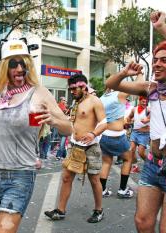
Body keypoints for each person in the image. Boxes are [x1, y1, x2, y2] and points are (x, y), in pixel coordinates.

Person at [0, 38, 72, 233]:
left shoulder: (38, 92)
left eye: (24, 63)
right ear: (5, 67)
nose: (19, 68)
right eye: (14, 64)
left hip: (20, 174)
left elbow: (68, 128)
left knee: (4, 229)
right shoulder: (0, 93)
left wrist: (53, 121)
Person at [106, 11, 166, 233]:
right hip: (152, 165)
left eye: (164, 60)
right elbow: (112, 83)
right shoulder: (151, 88)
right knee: (142, 223)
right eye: (155, 60)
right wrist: (124, 72)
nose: (157, 64)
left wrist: (162, 27)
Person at [44, 74, 107, 223]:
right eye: (70, 89)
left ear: (83, 87)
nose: (71, 91)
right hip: (74, 146)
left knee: (94, 180)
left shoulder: (95, 101)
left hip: (91, 147)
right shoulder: (76, 102)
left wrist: (93, 134)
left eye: (74, 88)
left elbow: (104, 123)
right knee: (66, 178)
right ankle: (60, 210)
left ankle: (99, 210)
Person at [99, 76, 142, 198]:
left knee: (106, 162)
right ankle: (123, 190)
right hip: (117, 135)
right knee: (128, 159)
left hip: (104, 135)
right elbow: (138, 85)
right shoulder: (119, 95)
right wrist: (139, 73)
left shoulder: (102, 98)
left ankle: (102, 190)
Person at [126, 96, 150, 173]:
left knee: (141, 152)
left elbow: (155, 119)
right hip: (135, 132)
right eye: (143, 101)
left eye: (146, 102)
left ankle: (150, 165)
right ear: (139, 101)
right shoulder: (134, 109)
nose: (144, 103)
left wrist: (147, 121)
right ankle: (135, 166)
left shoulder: (149, 109)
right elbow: (129, 118)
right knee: (131, 150)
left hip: (144, 134)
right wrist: (130, 121)